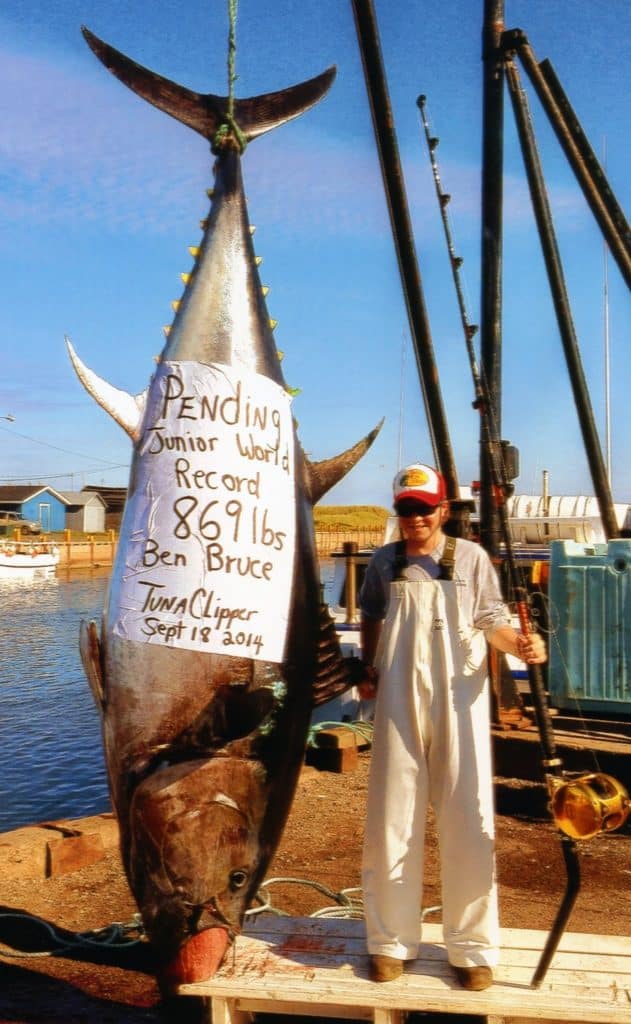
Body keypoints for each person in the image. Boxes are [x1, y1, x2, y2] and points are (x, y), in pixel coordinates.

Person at [358, 463, 546, 989]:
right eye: (405, 509)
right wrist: (368, 671)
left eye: (423, 508)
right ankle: (390, 942)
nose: (414, 518)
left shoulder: (471, 558)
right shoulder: (382, 563)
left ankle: (472, 948)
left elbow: (492, 622)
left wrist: (523, 647)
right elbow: (371, 615)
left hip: (460, 694)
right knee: (393, 812)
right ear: (397, 513)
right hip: (398, 694)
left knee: (469, 813)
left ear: (443, 510)